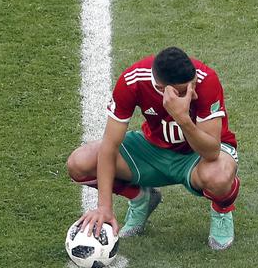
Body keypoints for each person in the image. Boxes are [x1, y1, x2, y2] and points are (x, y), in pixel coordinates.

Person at [67, 46, 240, 250]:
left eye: (192, 85)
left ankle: (221, 210)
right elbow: (109, 146)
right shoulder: (133, 80)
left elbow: (211, 152)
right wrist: (104, 207)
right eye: (184, 91)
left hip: (199, 157)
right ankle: (141, 198)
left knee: (218, 175)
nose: (192, 94)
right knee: (79, 163)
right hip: (153, 151)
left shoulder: (206, 80)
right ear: (160, 88)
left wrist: (182, 118)